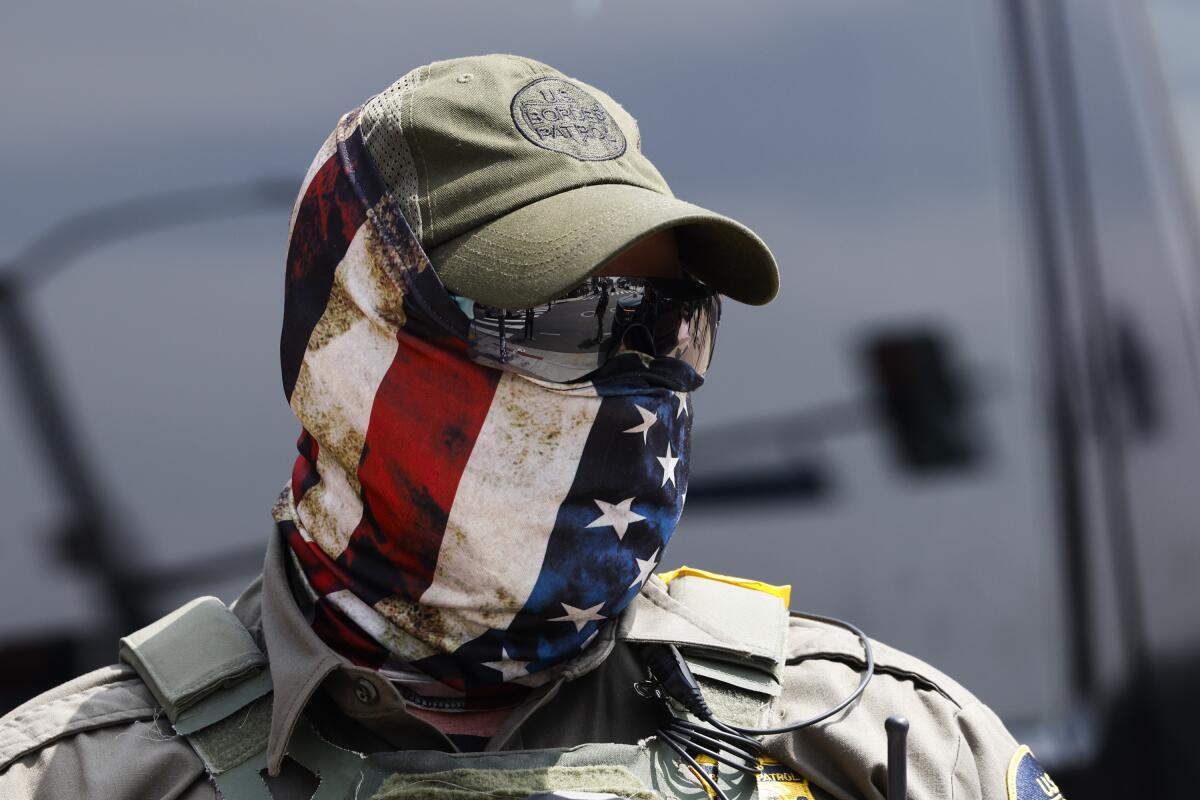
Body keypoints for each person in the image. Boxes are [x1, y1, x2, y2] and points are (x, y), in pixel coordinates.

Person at [0, 54, 1053, 800]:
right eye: (556, 321)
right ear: (354, 342)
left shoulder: (884, 747)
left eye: (665, 324)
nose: (631, 392)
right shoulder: (79, 776)